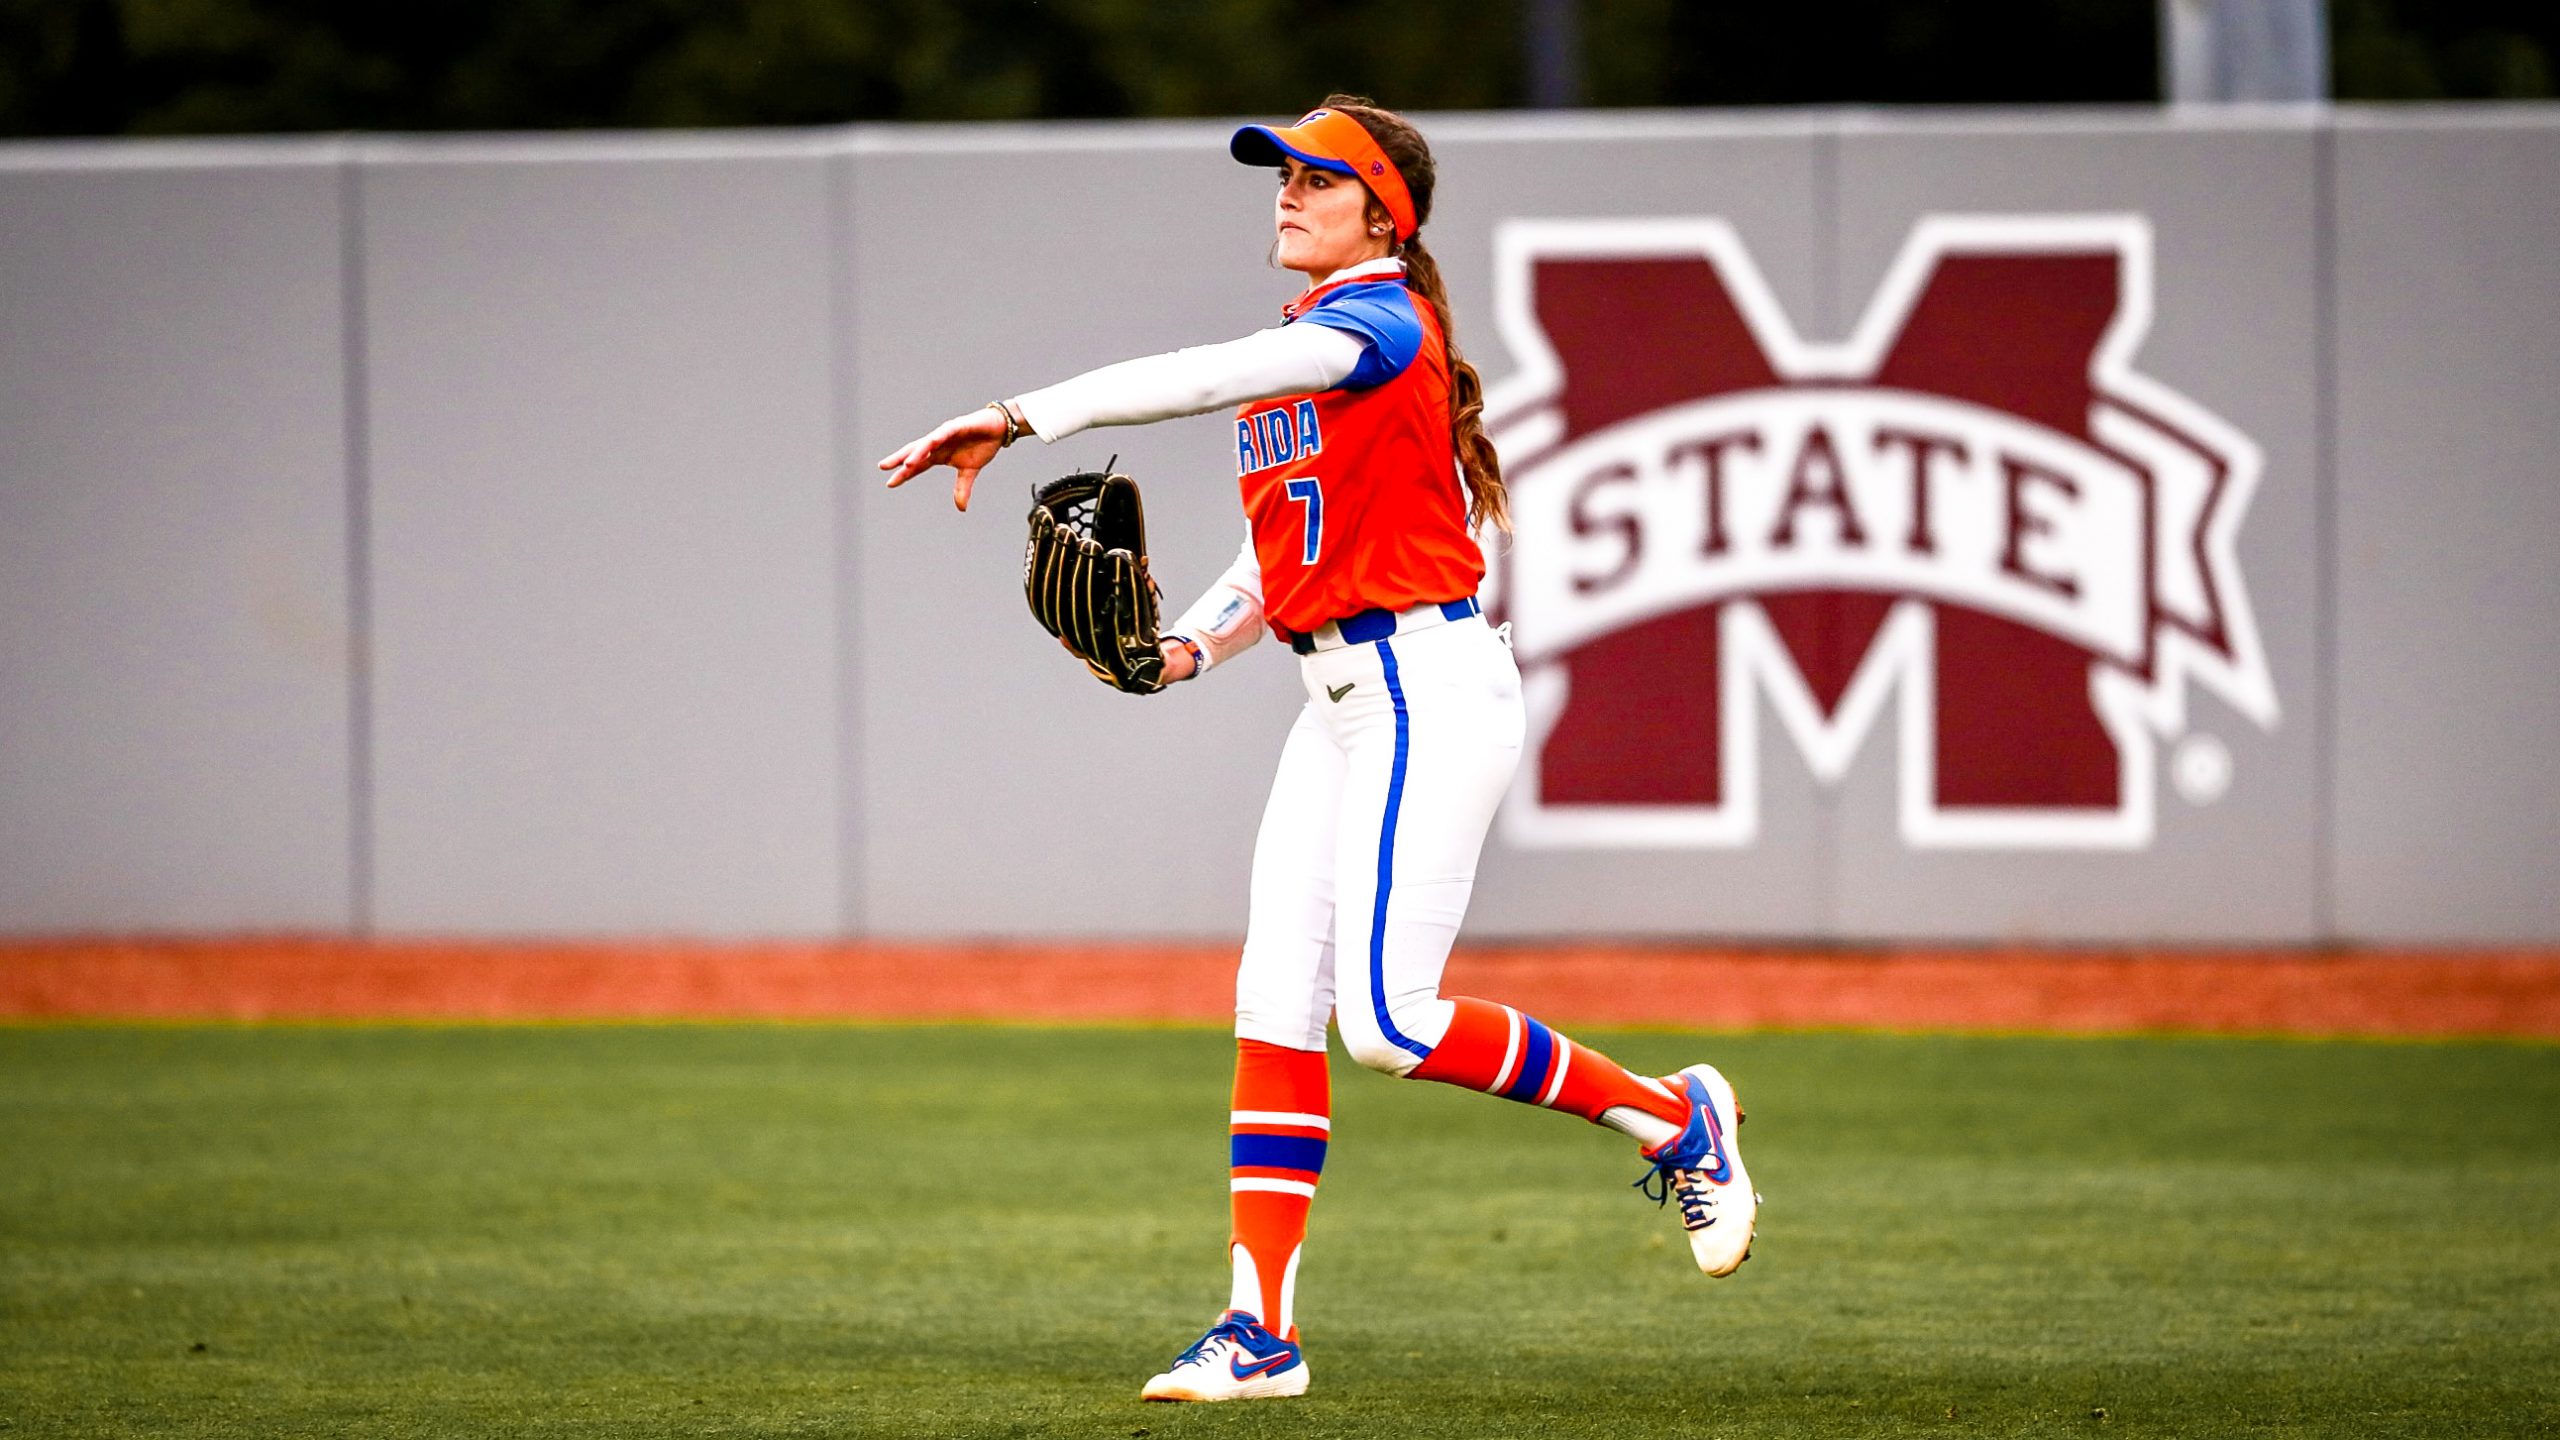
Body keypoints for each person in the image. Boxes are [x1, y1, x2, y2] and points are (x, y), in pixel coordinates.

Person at [879, 96, 1756, 1405]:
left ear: (1380, 215)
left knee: (1391, 1023)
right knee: (1272, 1004)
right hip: (1342, 700)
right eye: (1280, 171)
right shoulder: (1321, 347)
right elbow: (1273, 557)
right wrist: (1180, 652)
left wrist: (1019, 416)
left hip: (1427, 692)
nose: (1286, 190)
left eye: (1315, 177)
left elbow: (1199, 379)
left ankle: (1677, 1117)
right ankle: (1259, 1333)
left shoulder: (1380, 323)